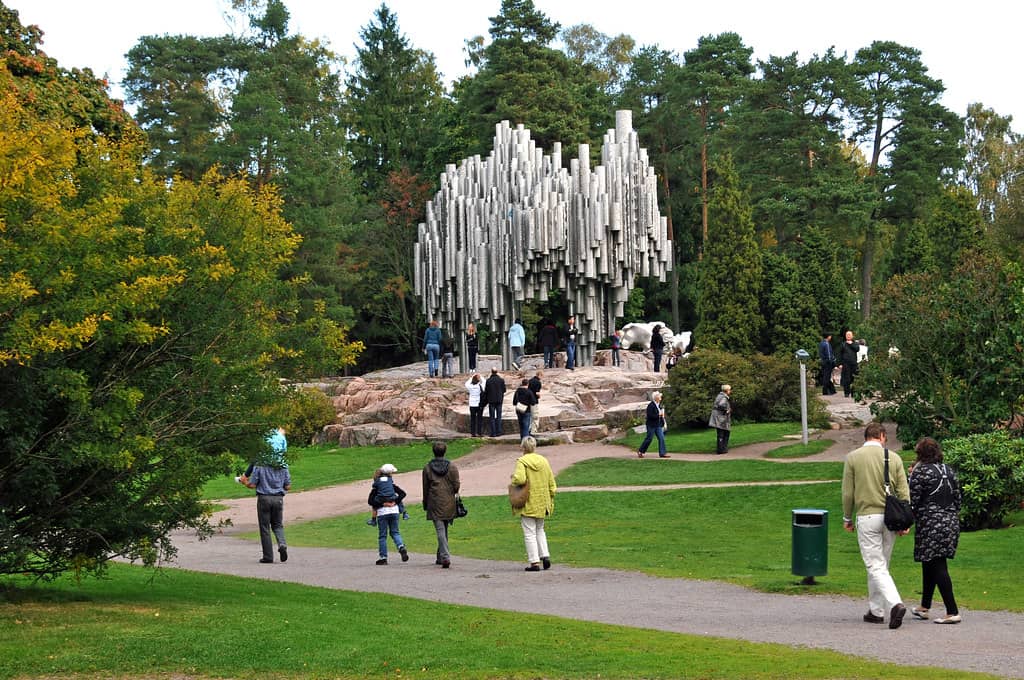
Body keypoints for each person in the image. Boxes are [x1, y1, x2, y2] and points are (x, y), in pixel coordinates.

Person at [841, 423, 910, 629]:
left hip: (867, 516)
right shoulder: (894, 458)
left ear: (866, 436)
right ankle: (876, 610)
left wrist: (847, 517)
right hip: (890, 517)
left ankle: (895, 604)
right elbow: (904, 491)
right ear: (881, 436)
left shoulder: (853, 458)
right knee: (882, 565)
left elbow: (848, 493)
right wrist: (905, 520)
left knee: (874, 564)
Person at [908, 437, 962, 624]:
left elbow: (912, 499)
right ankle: (924, 606)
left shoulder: (921, 472)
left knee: (938, 565)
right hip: (951, 521)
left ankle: (952, 610)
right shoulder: (949, 470)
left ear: (920, 453)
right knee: (929, 562)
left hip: (930, 523)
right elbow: (958, 500)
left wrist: (907, 521)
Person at [511, 436, 556, 572]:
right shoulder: (544, 461)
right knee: (540, 529)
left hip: (528, 500)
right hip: (542, 500)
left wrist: (513, 480)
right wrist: (550, 496)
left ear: (523, 448)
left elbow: (520, 479)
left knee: (529, 532)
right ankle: (545, 555)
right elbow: (551, 482)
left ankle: (534, 562)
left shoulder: (522, 461)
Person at [245, 456, 291, 564]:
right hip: (278, 498)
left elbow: (252, 484)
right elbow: (288, 486)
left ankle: (268, 556)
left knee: (265, 528)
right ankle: (282, 544)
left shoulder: (260, 465)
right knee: (278, 525)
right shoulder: (283, 465)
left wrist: (245, 482)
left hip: (264, 498)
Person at [422, 441, 460, 568]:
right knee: (444, 529)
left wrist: (425, 502)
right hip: (449, 501)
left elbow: (425, 487)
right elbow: (456, 486)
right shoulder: (452, 467)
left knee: (440, 529)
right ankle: (441, 555)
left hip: (434, 501)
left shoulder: (427, 468)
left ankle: (444, 557)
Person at [367, 463, 409, 565]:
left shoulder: (377, 487)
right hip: (394, 511)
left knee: (382, 536)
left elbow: (370, 501)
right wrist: (395, 501)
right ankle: (401, 547)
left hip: (382, 512)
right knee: (395, 532)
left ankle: (383, 557)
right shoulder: (392, 485)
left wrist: (382, 503)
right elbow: (403, 493)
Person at [637, 391, 668, 458]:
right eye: (659, 396)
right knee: (649, 438)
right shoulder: (651, 405)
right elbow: (650, 416)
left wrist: (663, 422)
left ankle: (662, 453)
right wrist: (658, 415)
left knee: (661, 438)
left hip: (658, 425)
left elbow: (661, 415)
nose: (660, 397)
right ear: (656, 397)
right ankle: (640, 451)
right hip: (651, 425)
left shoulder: (659, 405)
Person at [709, 385, 732, 454]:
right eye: (729, 390)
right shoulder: (724, 397)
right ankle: (722, 449)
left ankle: (721, 449)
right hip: (721, 418)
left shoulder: (720, 396)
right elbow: (721, 405)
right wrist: (727, 410)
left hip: (718, 418)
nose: (730, 391)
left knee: (721, 433)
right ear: (727, 390)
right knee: (724, 433)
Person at [484, 367, 507, 437]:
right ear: (497, 372)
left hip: (491, 400)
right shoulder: (501, 380)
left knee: (492, 417)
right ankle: (499, 432)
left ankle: (493, 433)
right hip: (499, 400)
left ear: (491, 372)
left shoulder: (488, 381)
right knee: (499, 416)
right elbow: (504, 390)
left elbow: (486, 391)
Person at [839, 330, 862, 398]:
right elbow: (840, 354)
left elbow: (857, 349)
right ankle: (846, 392)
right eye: (847, 335)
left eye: (849, 335)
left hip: (854, 363)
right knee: (846, 379)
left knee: (854, 378)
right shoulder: (843, 344)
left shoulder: (855, 343)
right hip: (846, 364)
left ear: (852, 336)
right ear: (845, 336)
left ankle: (853, 392)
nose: (848, 336)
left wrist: (850, 344)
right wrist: (840, 364)